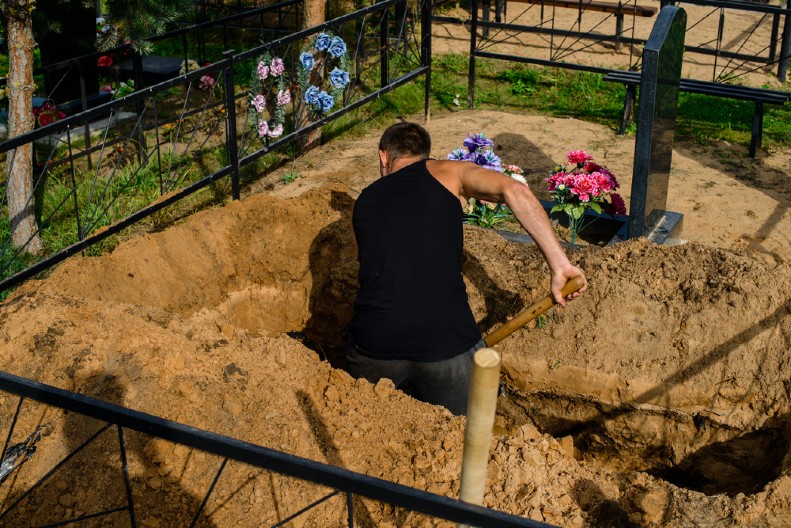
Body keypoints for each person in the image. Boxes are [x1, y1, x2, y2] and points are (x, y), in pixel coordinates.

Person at [344, 121, 587, 415]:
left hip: (374, 348)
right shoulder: (450, 172)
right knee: (466, 432)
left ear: (384, 156)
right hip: (446, 346)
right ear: (426, 154)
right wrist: (560, 265)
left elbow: (370, 264)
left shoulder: (363, 201)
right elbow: (514, 190)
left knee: (366, 430)